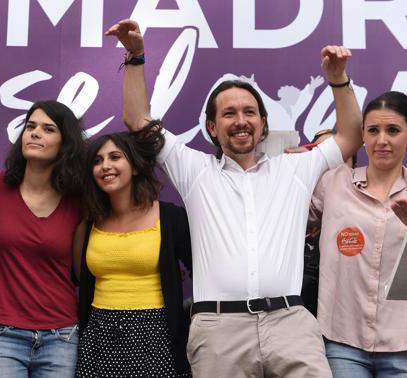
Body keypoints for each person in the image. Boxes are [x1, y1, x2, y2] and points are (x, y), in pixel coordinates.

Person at [106, 19, 362, 377]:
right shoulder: (194, 171)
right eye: (228, 114)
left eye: (249, 112)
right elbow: (137, 119)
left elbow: (351, 136)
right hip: (218, 328)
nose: (240, 121)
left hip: (290, 323)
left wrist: (338, 79)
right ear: (212, 127)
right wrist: (135, 55)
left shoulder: (295, 170)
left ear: (262, 122)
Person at [0, 100, 86, 377]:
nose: (35, 133)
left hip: (60, 336)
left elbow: (81, 271)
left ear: (65, 144)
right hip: (1, 334)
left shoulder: (78, 200)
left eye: (48, 129)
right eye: (31, 126)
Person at [75, 126, 192, 377]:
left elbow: (201, 270)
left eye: (115, 157)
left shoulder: (170, 217)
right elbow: (78, 277)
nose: (105, 165)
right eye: (97, 161)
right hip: (99, 335)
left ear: (136, 167)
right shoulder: (89, 221)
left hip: (155, 335)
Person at [309, 91, 407, 377]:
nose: (382, 140)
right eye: (373, 130)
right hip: (341, 342)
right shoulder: (334, 183)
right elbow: (289, 223)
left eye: (393, 130)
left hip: (402, 343)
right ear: (361, 134)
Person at [295, 128, 357, 315]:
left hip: (347, 326)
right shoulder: (287, 216)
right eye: (321, 157)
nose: (329, 169)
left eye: (338, 158)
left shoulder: (369, 214)